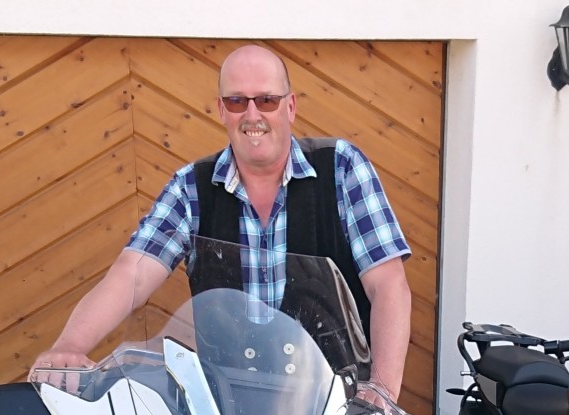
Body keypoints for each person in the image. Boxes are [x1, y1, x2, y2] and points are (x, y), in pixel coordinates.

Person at [30, 44, 411, 403]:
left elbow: (388, 285)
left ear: (290, 107)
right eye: (236, 101)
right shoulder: (191, 187)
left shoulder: (341, 167)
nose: (252, 115)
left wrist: (381, 389)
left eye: (266, 100)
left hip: (333, 400)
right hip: (225, 401)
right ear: (221, 110)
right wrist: (70, 347)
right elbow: (133, 274)